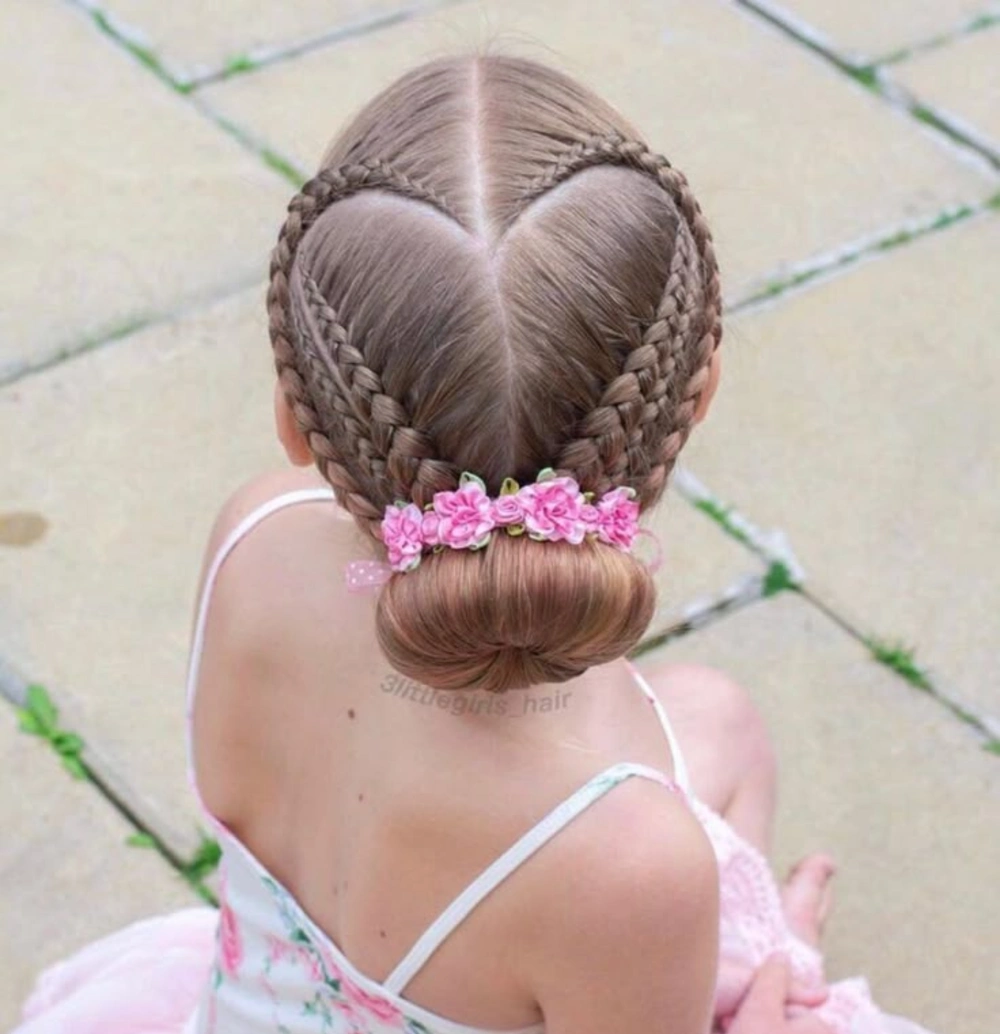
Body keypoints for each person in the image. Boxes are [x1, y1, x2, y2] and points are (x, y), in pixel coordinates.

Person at [14, 54, 936, 1034]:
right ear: (697, 395)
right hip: (602, 920)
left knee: (716, 716)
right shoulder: (629, 865)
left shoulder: (254, 535)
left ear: (295, 419)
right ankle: (750, 962)